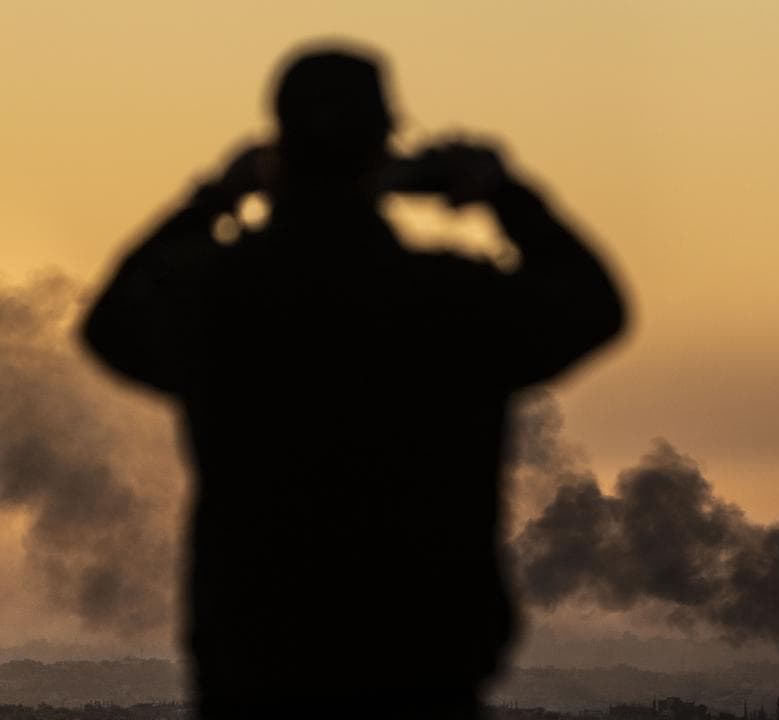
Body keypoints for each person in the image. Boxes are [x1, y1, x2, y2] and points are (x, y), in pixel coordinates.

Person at [82, 46, 626, 719]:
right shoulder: (448, 303)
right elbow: (595, 304)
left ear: (279, 152)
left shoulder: (219, 299)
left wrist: (214, 197)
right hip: (421, 677)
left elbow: (109, 323)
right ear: (381, 153)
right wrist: (504, 194)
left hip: (255, 676)